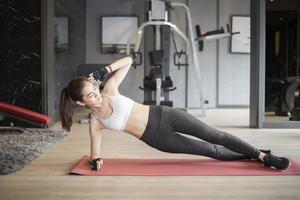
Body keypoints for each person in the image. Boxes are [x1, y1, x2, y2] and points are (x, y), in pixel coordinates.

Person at [59, 56, 291, 171]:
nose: (96, 95)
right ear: (81, 103)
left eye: (94, 90)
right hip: (158, 139)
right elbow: (95, 153)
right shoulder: (96, 122)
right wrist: (96, 161)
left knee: (215, 135)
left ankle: (263, 157)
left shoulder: (109, 89)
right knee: (210, 150)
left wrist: (105, 70)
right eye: (90, 96)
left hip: (165, 115)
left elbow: (130, 60)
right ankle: (252, 154)